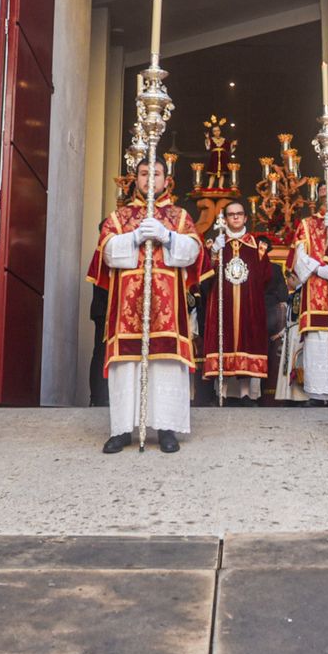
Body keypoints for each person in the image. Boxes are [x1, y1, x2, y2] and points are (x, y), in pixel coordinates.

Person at [86, 159, 202, 453]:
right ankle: (123, 429)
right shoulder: (118, 217)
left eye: (157, 173)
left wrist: (168, 236)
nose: (150, 179)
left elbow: (192, 253)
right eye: (144, 173)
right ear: (135, 178)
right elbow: (108, 254)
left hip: (166, 307)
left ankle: (166, 428)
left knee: (164, 364)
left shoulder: (178, 216)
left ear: (167, 179)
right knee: (127, 366)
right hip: (128, 308)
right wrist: (134, 237)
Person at [198, 201, 270, 405]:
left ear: (246, 218)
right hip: (223, 303)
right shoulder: (216, 244)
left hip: (249, 303)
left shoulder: (258, 246)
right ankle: (221, 392)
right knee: (224, 339)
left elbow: (265, 276)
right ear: (225, 219)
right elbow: (205, 275)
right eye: (231, 215)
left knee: (246, 341)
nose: (235, 217)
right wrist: (213, 254)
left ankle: (245, 394)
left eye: (239, 214)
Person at [288, 180, 328, 405]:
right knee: (318, 341)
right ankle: (317, 394)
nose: (324, 191)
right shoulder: (306, 224)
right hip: (317, 289)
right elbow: (298, 254)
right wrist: (317, 268)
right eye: (320, 189)